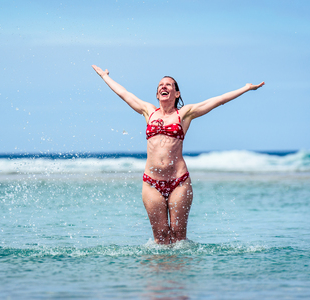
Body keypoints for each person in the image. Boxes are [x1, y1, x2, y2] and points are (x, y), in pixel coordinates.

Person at [92, 65, 264, 245]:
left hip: (179, 182)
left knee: (178, 238)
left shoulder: (184, 113)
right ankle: (160, 272)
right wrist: (105, 76)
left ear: (176, 94)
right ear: (157, 95)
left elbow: (218, 100)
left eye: (169, 85)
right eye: (160, 85)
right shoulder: (148, 111)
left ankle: (180, 273)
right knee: (160, 239)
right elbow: (124, 94)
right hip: (151, 183)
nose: (164, 87)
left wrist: (245, 88)